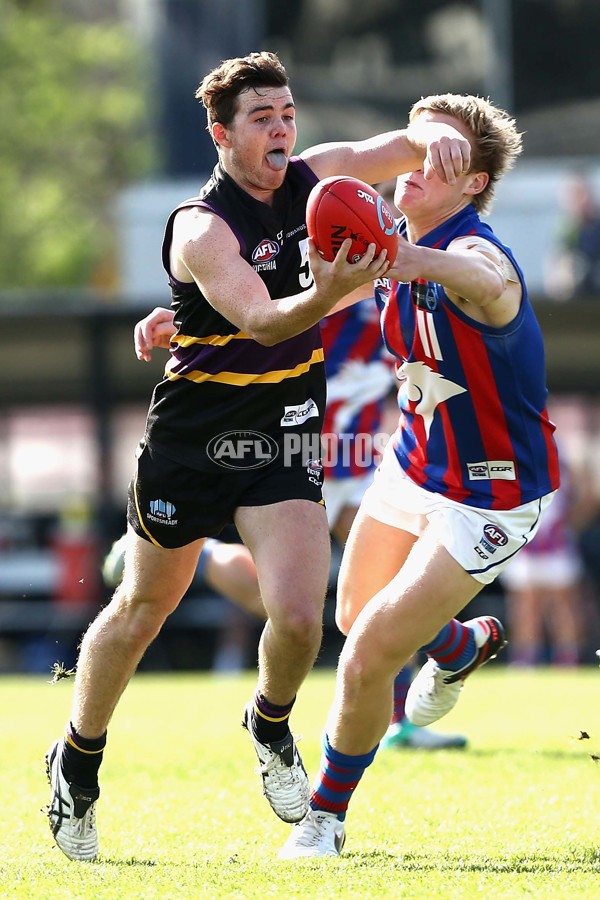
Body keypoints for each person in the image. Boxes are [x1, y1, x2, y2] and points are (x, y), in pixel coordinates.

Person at [45, 51, 474, 861]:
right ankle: (78, 758)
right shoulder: (201, 227)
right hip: (192, 441)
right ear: (221, 135)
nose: (281, 130)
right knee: (142, 611)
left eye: (286, 114)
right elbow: (268, 320)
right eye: (260, 119)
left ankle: (269, 722)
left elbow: (397, 145)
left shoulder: (318, 178)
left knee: (303, 617)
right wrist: (332, 286)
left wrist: (441, 135)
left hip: (282, 429)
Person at [278, 92, 561, 859]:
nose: (419, 162)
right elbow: (325, 179)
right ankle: (458, 644)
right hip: (413, 463)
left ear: (473, 183)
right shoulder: (384, 233)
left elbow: (480, 279)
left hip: (493, 492)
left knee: (367, 650)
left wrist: (393, 255)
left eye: (445, 154)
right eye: (416, 144)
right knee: (352, 618)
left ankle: (325, 819)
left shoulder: (476, 255)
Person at [127, 294, 468, 748]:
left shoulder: (391, 274)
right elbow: (257, 314)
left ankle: (395, 718)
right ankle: (202, 555)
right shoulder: (317, 275)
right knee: (277, 604)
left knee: (391, 584)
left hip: (360, 458)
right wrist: (191, 324)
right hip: (297, 458)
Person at [501, 467, 584, 666]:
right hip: (524, 544)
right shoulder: (520, 463)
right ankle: (525, 657)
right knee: (525, 603)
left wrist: (565, 527)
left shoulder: (564, 462)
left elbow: (581, 497)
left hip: (558, 544)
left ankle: (568, 657)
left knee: (563, 604)